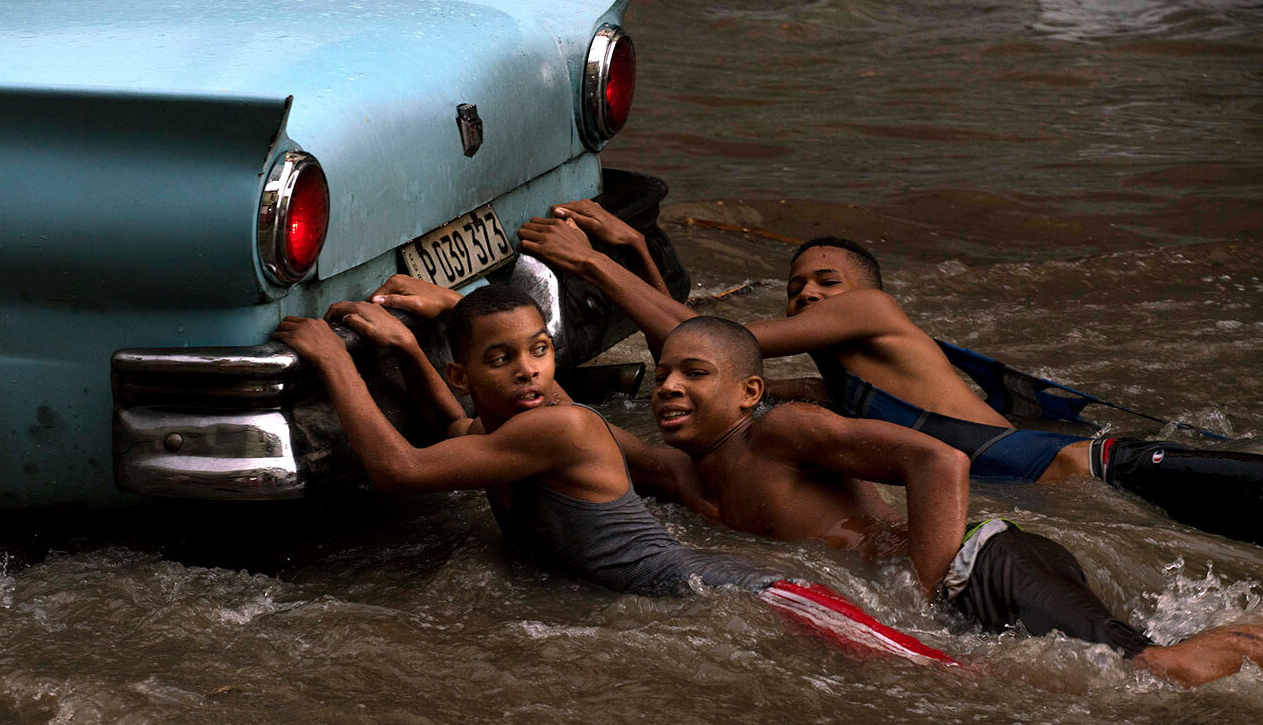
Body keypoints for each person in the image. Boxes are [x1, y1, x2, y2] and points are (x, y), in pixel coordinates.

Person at [273, 285, 957, 666]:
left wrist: (334, 361)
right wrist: (401, 347)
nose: (528, 369)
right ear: (465, 374)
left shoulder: (559, 429)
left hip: (762, 594)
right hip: (727, 589)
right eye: (502, 358)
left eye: (540, 352)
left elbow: (397, 469)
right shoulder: (496, 435)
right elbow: (455, 429)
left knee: (953, 678)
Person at [516, 204, 1263, 543]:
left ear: (862, 287)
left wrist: (592, 262)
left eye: (824, 281)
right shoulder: (834, 391)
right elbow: (696, 359)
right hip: (1061, 487)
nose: (809, 293)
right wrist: (637, 245)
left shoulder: (869, 309)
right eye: (797, 286)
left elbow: (715, 339)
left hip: (1106, 473)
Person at [619, 314, 1263, 687]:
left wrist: (928, 596)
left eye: (694, 374)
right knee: (1138, 661)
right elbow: (599, 443)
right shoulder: (691, 475)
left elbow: (937, 458)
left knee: (1159, 672)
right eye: (662, 376)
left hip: (979, 566)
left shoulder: (779, 429)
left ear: (749, 391)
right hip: (986, 572)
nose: (669, 387)